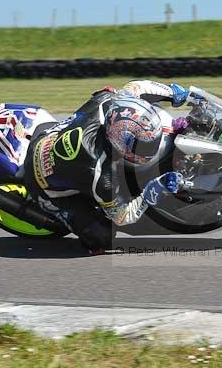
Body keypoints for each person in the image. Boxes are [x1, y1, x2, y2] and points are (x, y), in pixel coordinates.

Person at [24, 79, 191, 253]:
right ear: (120, 144)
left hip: (49, 135)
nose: (151, 148)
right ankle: (59, 213)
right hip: (44, 184)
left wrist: (176, 93)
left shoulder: (109, 100)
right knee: (102, 239)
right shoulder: (101, 176)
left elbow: (137, 87)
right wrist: (153, 189)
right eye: (144, 146)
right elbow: (123, 216)